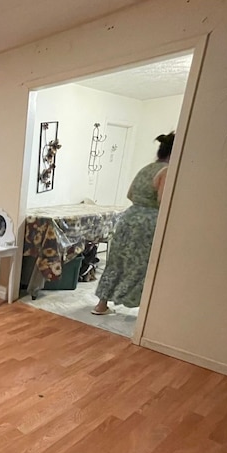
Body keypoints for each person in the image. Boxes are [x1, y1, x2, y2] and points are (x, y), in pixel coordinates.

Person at [92, 131, 174, 315]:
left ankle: (101, 305)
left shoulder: (146, 168)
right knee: (143, 265)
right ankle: (144, 313)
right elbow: (163, 201)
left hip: (128, 219)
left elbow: (130, 194)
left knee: (116, 262)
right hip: (148, 223)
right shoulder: (167, 171)